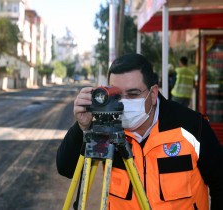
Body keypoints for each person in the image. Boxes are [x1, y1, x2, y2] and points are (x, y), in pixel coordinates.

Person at [56, 53, 223, 210]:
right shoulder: (106, 129)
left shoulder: (191, 125)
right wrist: (82, 127)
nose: (124, 103)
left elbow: (219, 182)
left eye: (133, 94)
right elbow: (66, 169)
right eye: (116, 95)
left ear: (153, 93)